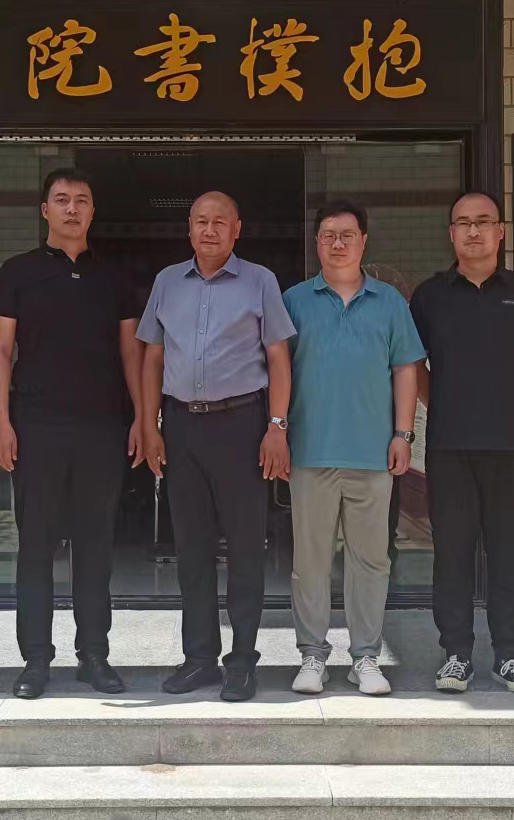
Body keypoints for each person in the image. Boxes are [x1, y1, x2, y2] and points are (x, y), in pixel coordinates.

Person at [0, 168, 144, 699]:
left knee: (96, 547)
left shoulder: (113, 276)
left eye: (81, 200)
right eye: (61, 200)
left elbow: (131, 353)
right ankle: (35, 659)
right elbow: (0, 352)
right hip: (36, 427)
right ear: (45, 210)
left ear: (93, 211)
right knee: (36, 546)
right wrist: (1, 423)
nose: (72, 209)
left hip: (102, 428)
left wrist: (142, 417)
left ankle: (94, 654)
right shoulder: (18, 273)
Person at [137, 191, 296, 702]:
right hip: (181, 426)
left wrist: (277, 426)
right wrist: (149, 425)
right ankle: (199, 658)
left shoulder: (260, 281)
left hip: (241, 425)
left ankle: (243, 660)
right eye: (201, 221)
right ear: (189, 227)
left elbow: (279, 358)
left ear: (236, 229)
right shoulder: (167, 282)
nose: (209, 230)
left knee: (246, 548)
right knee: (192, 549)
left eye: (219, 222)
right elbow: (152, 359)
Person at [409, 192, 514, 695]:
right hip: (450, 446)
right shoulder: (430, 296)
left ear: (500, 231)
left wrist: (508, 405)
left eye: (483, 221)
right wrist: (445, 406)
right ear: (451, 233)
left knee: (509, 553)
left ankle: (509, 654)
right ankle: (456, 654)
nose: (474, 231)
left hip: (510, 446)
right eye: (464, 223)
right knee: (452, 553)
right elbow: (415, 368)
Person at [283, 200, 424, 696]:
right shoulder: (294, 300)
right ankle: (312, 655)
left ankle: (366, 657)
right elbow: (277, 372)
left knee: (371, 561)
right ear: (316, 243)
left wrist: (403, 434)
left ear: (364, 241)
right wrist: (278, 433)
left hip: (372, 453)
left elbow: (405, 369)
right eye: (328, 235)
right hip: (310, 452)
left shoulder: (389, 302)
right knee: (310, 563)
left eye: (347, 235)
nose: (337, 243)